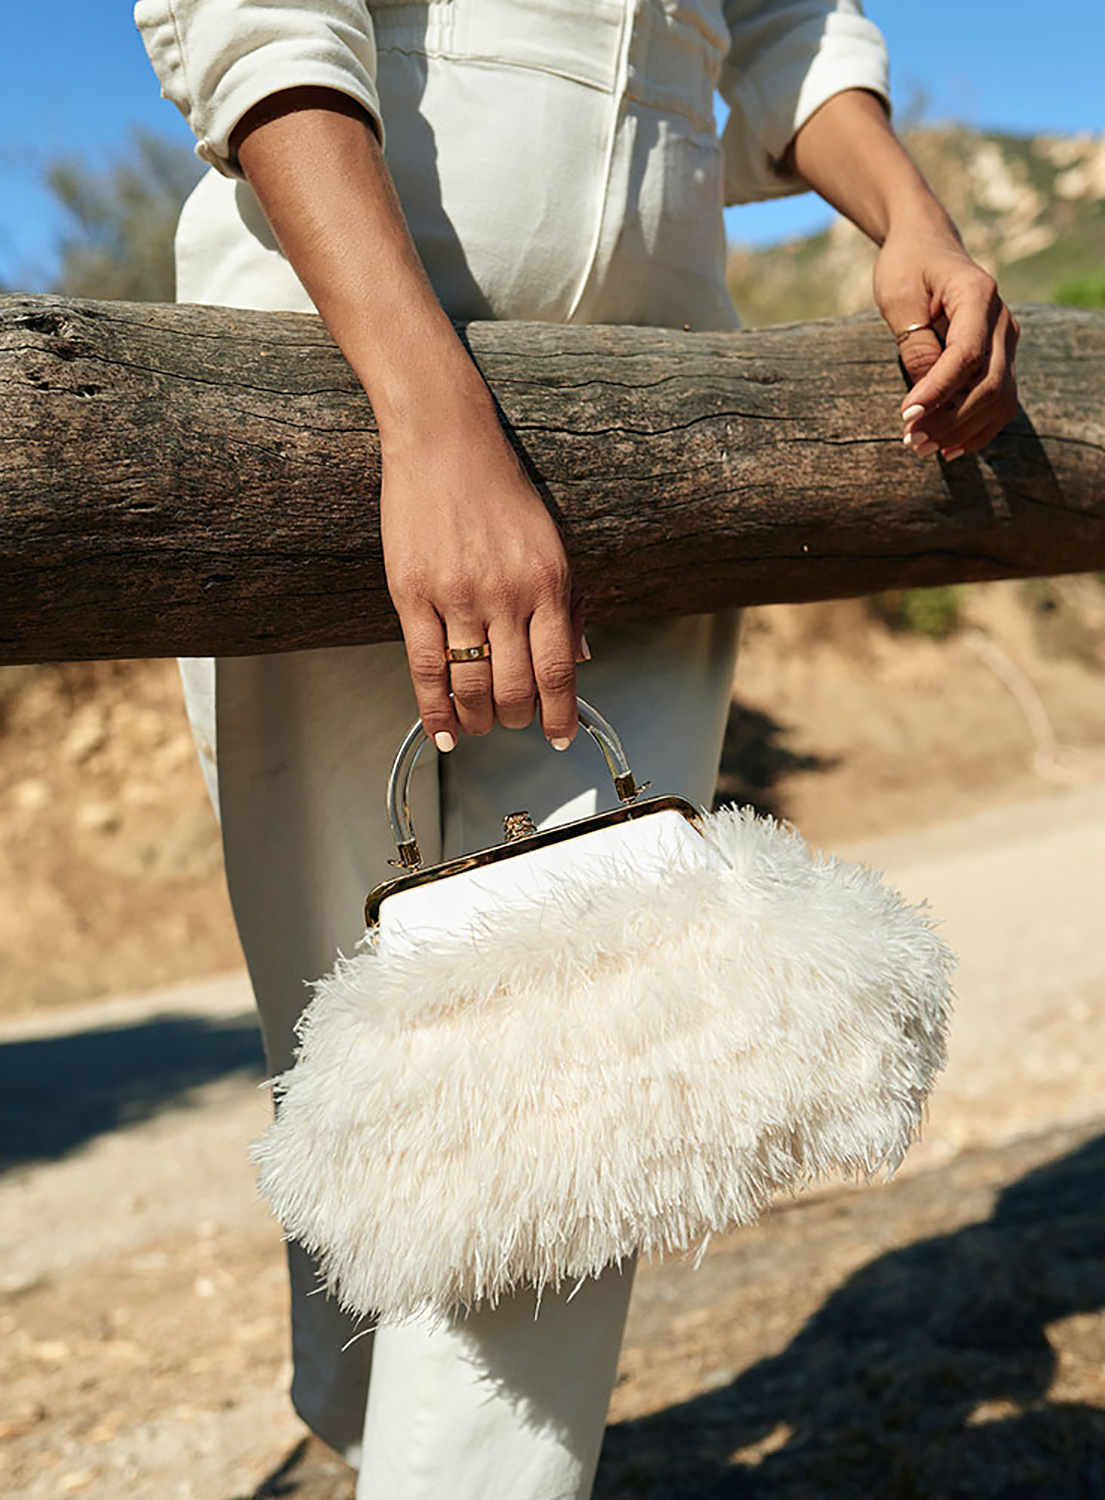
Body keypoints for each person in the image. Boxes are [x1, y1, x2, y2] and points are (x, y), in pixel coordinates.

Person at [134, 2, 1019, 1494]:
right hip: (326, 377)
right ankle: (367, 1423)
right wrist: (431, 427)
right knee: (355, 1075)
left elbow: (787, 22)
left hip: (657, 422)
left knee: (563, 1098)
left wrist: (909, 215)